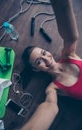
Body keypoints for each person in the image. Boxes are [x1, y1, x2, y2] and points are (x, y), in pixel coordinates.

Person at [20, 0, 81, 130]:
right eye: (39, 61)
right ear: (36, 70)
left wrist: (62, 5)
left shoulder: (67, 56)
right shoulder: (52, 89)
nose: (46, 59)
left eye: (43, 53)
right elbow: (50, 107)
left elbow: (70, 38)